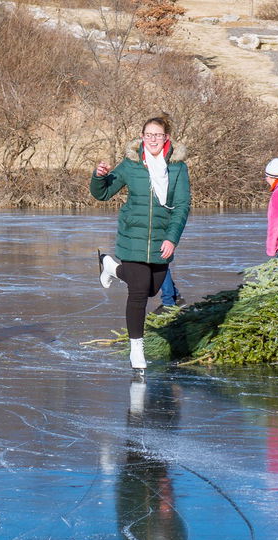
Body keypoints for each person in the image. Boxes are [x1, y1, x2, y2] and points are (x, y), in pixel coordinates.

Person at [91, 115, 191, 369]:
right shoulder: (131, 164)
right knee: (137, 292)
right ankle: (137, 351)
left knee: (152, 288)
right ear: (142, 137)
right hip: (132, 236)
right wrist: (98, 176)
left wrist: (172, 238)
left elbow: (181, 206)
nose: (153, 139)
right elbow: (102, 193)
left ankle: (111, 267)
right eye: (149, 135)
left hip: (161, 239)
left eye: (158, 135)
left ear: (167, 138)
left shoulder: (178, 168)